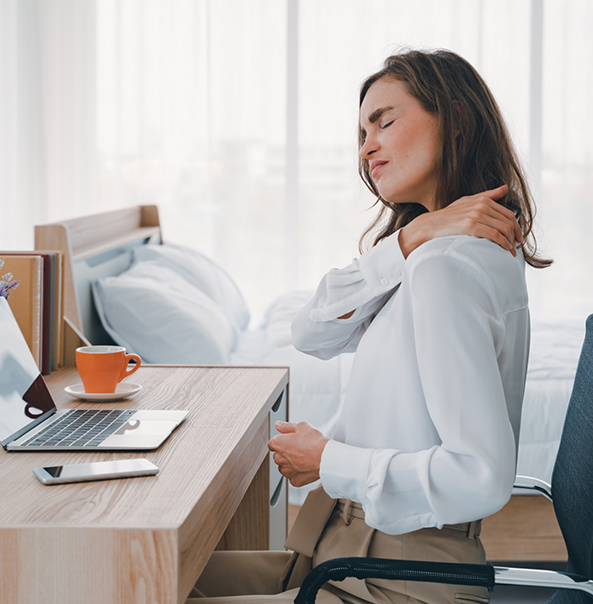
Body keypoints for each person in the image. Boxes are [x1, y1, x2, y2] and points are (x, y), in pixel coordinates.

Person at [188, 49, 550, 604]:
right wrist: (412, 236)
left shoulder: (446, 267)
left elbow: (481, 476)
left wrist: (328, 459)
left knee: (134, 582)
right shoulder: (427, 255)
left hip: (398, 579)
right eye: (362, 132)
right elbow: (312, 332)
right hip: (344, 551)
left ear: (455, 119)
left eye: (384, 121)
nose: (367, 146)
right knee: (145, 577)